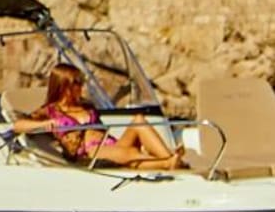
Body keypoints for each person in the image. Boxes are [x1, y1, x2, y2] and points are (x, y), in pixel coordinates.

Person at [12, 63, 186, 170]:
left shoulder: (87, 105)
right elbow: (17, 125)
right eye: (77, 83)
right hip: (88, 152)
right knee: (129, 153)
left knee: (139, 119)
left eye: (81, 82)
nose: (81, 87)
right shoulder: (50, 111)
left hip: (109, 143)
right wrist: (46, 123)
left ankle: (168, 158)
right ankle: (167, 161)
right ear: (64, 86)